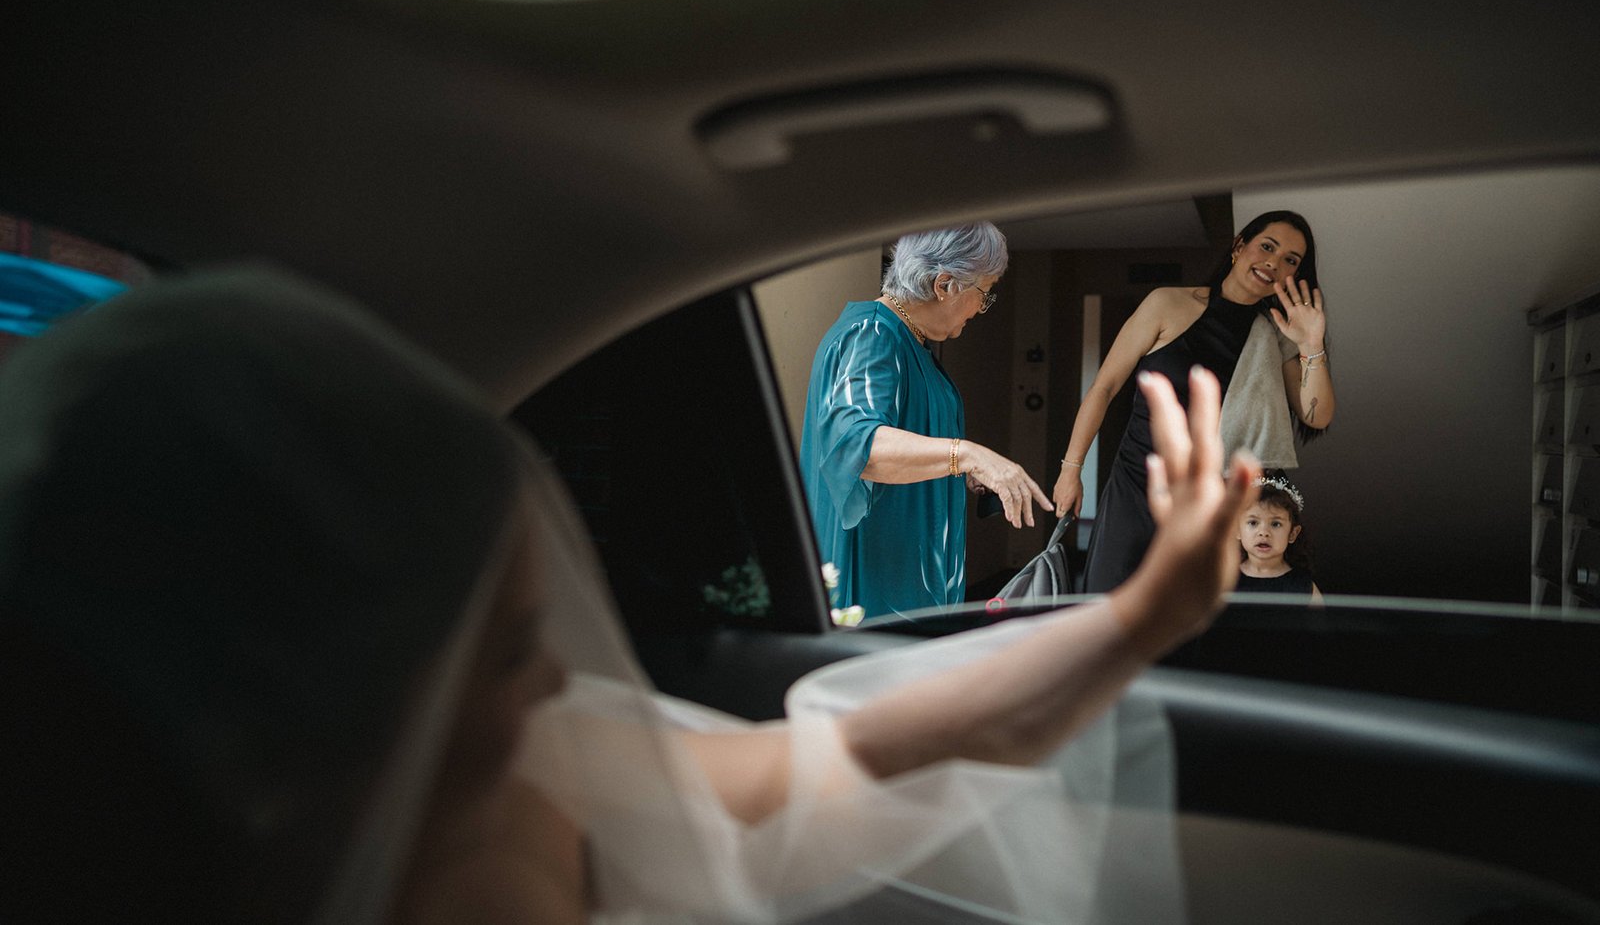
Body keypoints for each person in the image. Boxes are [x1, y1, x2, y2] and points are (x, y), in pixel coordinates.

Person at [0, 267, 1260, 924]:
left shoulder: (538, 783)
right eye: (507, 650)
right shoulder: (869, 339)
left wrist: (1143, 617)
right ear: (326, 680)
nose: (559, 675)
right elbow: (852, 449)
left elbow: (860, 755)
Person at [1052, 210, 1337, 593]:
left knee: (1186, 613)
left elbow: (1316, 415)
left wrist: (1312, 344)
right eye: (1267, 247)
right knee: (1109, 603)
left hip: (1210, 501)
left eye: (1290, 260)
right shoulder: (1166, 303)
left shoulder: (1277, 333)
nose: (1274, 263)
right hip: (1136, 485)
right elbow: (1104, 387)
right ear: (1239, 247)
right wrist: (1071, 470)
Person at [799, 223, 1053, 618]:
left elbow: (909, 442)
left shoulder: (911, 342)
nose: (981, 309)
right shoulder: (871, 335)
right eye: (984, 293)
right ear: (945, 285)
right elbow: (860, 448)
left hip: (911, 575)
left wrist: (961, 469)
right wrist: (966, 455)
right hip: (876, 581)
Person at [1235, 474, 1323, 602]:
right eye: (1253, 523)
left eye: (1275, 524)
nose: (1264, 532)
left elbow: (1319, 615)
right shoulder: (1225, 580)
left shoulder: (1303, 586)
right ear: (1237, 530)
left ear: (1292, 533)